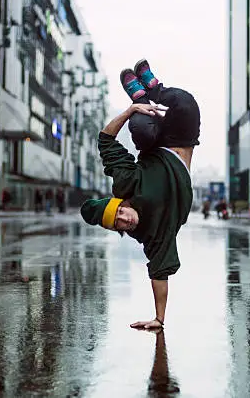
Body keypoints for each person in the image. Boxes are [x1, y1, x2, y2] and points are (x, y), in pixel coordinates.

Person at [80, 59, 200, 330]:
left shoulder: (125, 184)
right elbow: (158, 273)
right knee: (184, 102)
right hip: (181, 141)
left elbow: (105, 140)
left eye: (119, 212)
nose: (125, 219)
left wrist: (131, 109)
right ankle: (151, 90)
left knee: (140, 127)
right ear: (119, 230)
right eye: (119, 223)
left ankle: (143, 96)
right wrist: (159, 319)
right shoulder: (151, 234)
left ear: (121, 203)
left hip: (156, 139)